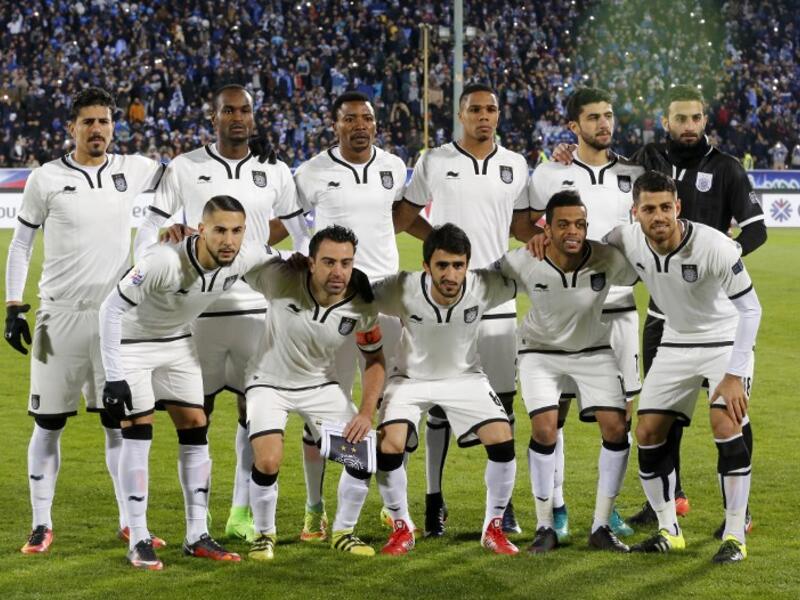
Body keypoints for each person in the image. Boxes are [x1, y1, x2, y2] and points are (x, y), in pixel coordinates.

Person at [551, 85, 766, 531]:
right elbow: (604, 163)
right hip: (662, 318)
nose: (688, 126)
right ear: (665, 122)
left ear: (705, 120)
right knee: (661, 414)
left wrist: (724, 258)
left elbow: (756, 230)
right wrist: (565, 154)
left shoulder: (726, 168)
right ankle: (668, 500)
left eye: (696, 118)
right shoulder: (647, 161)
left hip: (716, 312)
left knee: (730, 411)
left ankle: (740, 510)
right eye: (679, 119)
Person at [133, 83, 309, 542]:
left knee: (255, 415)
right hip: (199, 313)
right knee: (196, 418)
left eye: (244, 110)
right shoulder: (185, 166)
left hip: (256, 312)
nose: (237, 117)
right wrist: (158, 248)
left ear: (253, 115)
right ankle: (199, 522)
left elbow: (302, 232)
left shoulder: (274, 169)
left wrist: (301, 267)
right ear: (213, 117)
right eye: (228, 110)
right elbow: (148, 227)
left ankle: (240, 513)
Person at [4, 87, 164, 554]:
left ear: (114, 127)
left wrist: (240, 149)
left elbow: (186, 174)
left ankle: (129, 522)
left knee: (118, 423)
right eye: (88, 122)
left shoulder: (132, 168)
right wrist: (13, 306)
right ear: (71, 127)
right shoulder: (46, 178)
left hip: (115, 321)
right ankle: (41, 523)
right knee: (48, 422)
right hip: (56, 319)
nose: (97, 129)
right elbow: (21, 244)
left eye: (104, 121)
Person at [394, 82, 538, 536]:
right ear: (461, 115)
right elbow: (403, 217)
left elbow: (520, 226)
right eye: (475, 109)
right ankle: (433, 500)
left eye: (490, 109)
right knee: (438, 402)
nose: (484, 116)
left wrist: (552, 237)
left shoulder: (515, 164)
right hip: (443, 299)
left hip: (494, 296)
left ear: (498, 115)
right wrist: (442, 247)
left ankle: (503, 507)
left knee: (503, 403)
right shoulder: (435, 160)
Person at [99, 196, 273, 570]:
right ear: (201, 229)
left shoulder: (244, 255)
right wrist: (113, 377)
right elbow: (110, 309)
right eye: (220, 230)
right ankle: (139, 536)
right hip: (132, 343)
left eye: (237, 231)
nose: (229, 240)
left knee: (195, 424)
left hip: (178, 342)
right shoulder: (163, 261)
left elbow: (286, 261)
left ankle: (197, 535)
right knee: (138, 430)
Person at [605, 171, 761, 564]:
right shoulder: (626, 238)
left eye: (665, 207)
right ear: (635, 212)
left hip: (724, 340)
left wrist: (734, 374)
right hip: (676, 341)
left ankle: (734, 535)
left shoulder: (715, 246)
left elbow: (750, 309)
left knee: (725, 422)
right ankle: (669, 530)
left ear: (678, 206)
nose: (658, 216)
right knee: (647, 431)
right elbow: (588, 247)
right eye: (649, 209)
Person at [527, 87, 643, 541]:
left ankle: (606, 512)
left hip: (619, 309)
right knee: (552, 416)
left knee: (618, 418)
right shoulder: (549, 174)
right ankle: (555, 507)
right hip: (563, 313)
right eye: (593, 117)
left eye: (608, 115)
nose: (604, 124)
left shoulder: (633, 174)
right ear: (574, 126)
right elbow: (526, 228)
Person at [292, 91, 407, 542]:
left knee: (390, 406)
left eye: (367, 118)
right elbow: (289, 221)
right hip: (332, 303)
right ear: (335, 124)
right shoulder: (310, 172)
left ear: (376, 124)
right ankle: (314, 508)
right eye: (350, 118)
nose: (360, 125)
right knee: (324, 409)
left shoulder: (393, 167)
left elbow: (399, 219)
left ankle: (390, 506)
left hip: (385, 303)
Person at [498, 191, 635, 554]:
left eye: (579, 224)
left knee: (617, 428)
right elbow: (485, 280)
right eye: (563, 224)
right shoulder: (526, 259)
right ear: (547, 229)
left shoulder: (606, 258)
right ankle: (545, 526)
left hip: (593, 350)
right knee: (545, 429)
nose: (572, 231)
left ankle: (601, 526)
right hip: (539, 352)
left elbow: (645, 268)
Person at [373, 224, 518, 556]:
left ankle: (493, 528)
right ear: (426, 266)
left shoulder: (483, 286)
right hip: (409, 379)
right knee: (390, 443)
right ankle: (401, 527)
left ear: (467, 264)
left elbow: (526, 273)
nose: (451, 274)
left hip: (464, 378)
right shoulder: (402, 287)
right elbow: (358, 294)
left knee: (502, 437)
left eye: (458, 265)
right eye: (442, 265)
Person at [242, 225, 385, 560]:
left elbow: (375, 359)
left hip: (320, 385)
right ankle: (264, 535)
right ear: (310, 262)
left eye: (346, 263)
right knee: (268, 459)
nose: (338, 272)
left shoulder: (361, 304)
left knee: (363, 456)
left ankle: (343, 532)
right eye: (329, 262)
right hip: (268, 382)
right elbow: (237, 259)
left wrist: (366, 412)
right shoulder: (281, 278)